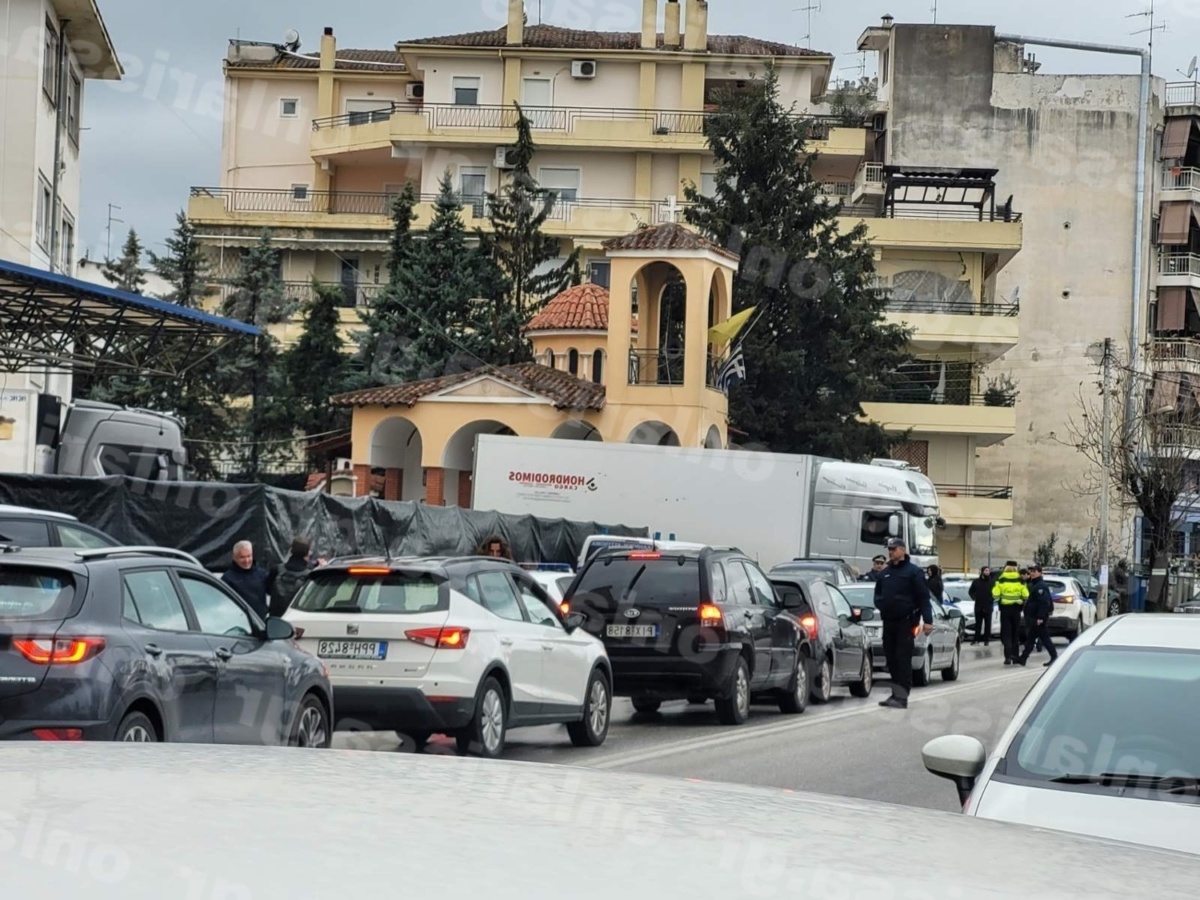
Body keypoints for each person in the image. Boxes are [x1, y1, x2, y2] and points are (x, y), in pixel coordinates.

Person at [874, 537, 934, 710]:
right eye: (889, 549)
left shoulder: (913, 572)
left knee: (902, 658)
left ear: (902, 550)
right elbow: (878, 594)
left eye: (894, 549)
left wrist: (928, 621)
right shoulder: (885, 573)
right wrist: (882, 604)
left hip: (906, 622)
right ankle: (894, 694)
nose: (891, 552)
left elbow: (924, 598)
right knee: (891, 659)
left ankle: (902, 697)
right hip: (889, 621)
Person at [1017, 563, 1058, 667]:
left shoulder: (1040, 586)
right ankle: (1023, 658)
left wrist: (1040, 617)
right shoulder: (1035, 584)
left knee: (1043, 638)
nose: (1032, 573)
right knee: (1032, 638)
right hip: (1034, 617)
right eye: (1031, 571)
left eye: (1034, 571)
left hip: (1038, 617)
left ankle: (1054, 657)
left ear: (1040, 573)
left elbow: (1044, 603)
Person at [222, 540, 275, 620]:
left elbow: (273, 591)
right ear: (234, 557)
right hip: (239, 622)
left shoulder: (262, 574)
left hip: (260, 622)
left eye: (249, 556)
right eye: (242, 557)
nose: (247, 561)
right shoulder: (227, 579)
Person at [992, 561, 1029, 666]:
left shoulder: (1001, 579)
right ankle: (1015, 656)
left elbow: (995, 594)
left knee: (1006, 634)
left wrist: (1000, 597)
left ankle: (1007, 657)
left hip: (1005, 609)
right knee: (1015, 633)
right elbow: (1026, 595)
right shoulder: (1020, 580)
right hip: (1016, 609)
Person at [270, 536, 314, 617]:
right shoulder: (310, 575)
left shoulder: (276, 569)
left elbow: (268, 590)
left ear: (291, 550)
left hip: (275, 619)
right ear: (308, 553)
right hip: (297, 619)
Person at [968, 566, 994, 646]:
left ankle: (986, 640)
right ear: (982, 571)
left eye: (988, 571)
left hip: (988, 606)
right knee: (978, 624)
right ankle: (976, 639)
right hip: (978, 606)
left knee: (987, 624)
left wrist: (991, 599)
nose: (987, 572)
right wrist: (975, 597)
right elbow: (971, 591)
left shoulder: (992, 582)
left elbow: (996, 593)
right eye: (986, 570)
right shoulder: (976, 582)